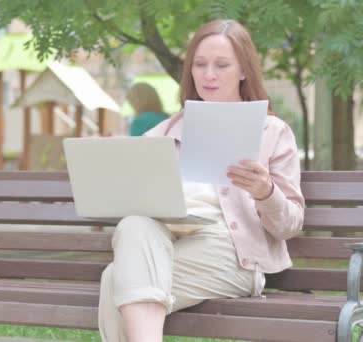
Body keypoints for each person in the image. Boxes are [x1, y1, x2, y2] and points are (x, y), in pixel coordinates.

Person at [98, 19, 305, 342]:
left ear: (243, 70)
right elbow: (134, 197)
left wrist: (266, 192)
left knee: (116, 280)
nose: (208, 74)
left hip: (234, 254)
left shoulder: (271, 131)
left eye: (221, 65)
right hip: (168, 242)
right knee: (134, 225)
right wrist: (114, 163)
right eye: (200, 64)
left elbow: (290, 225)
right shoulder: (167, 130)